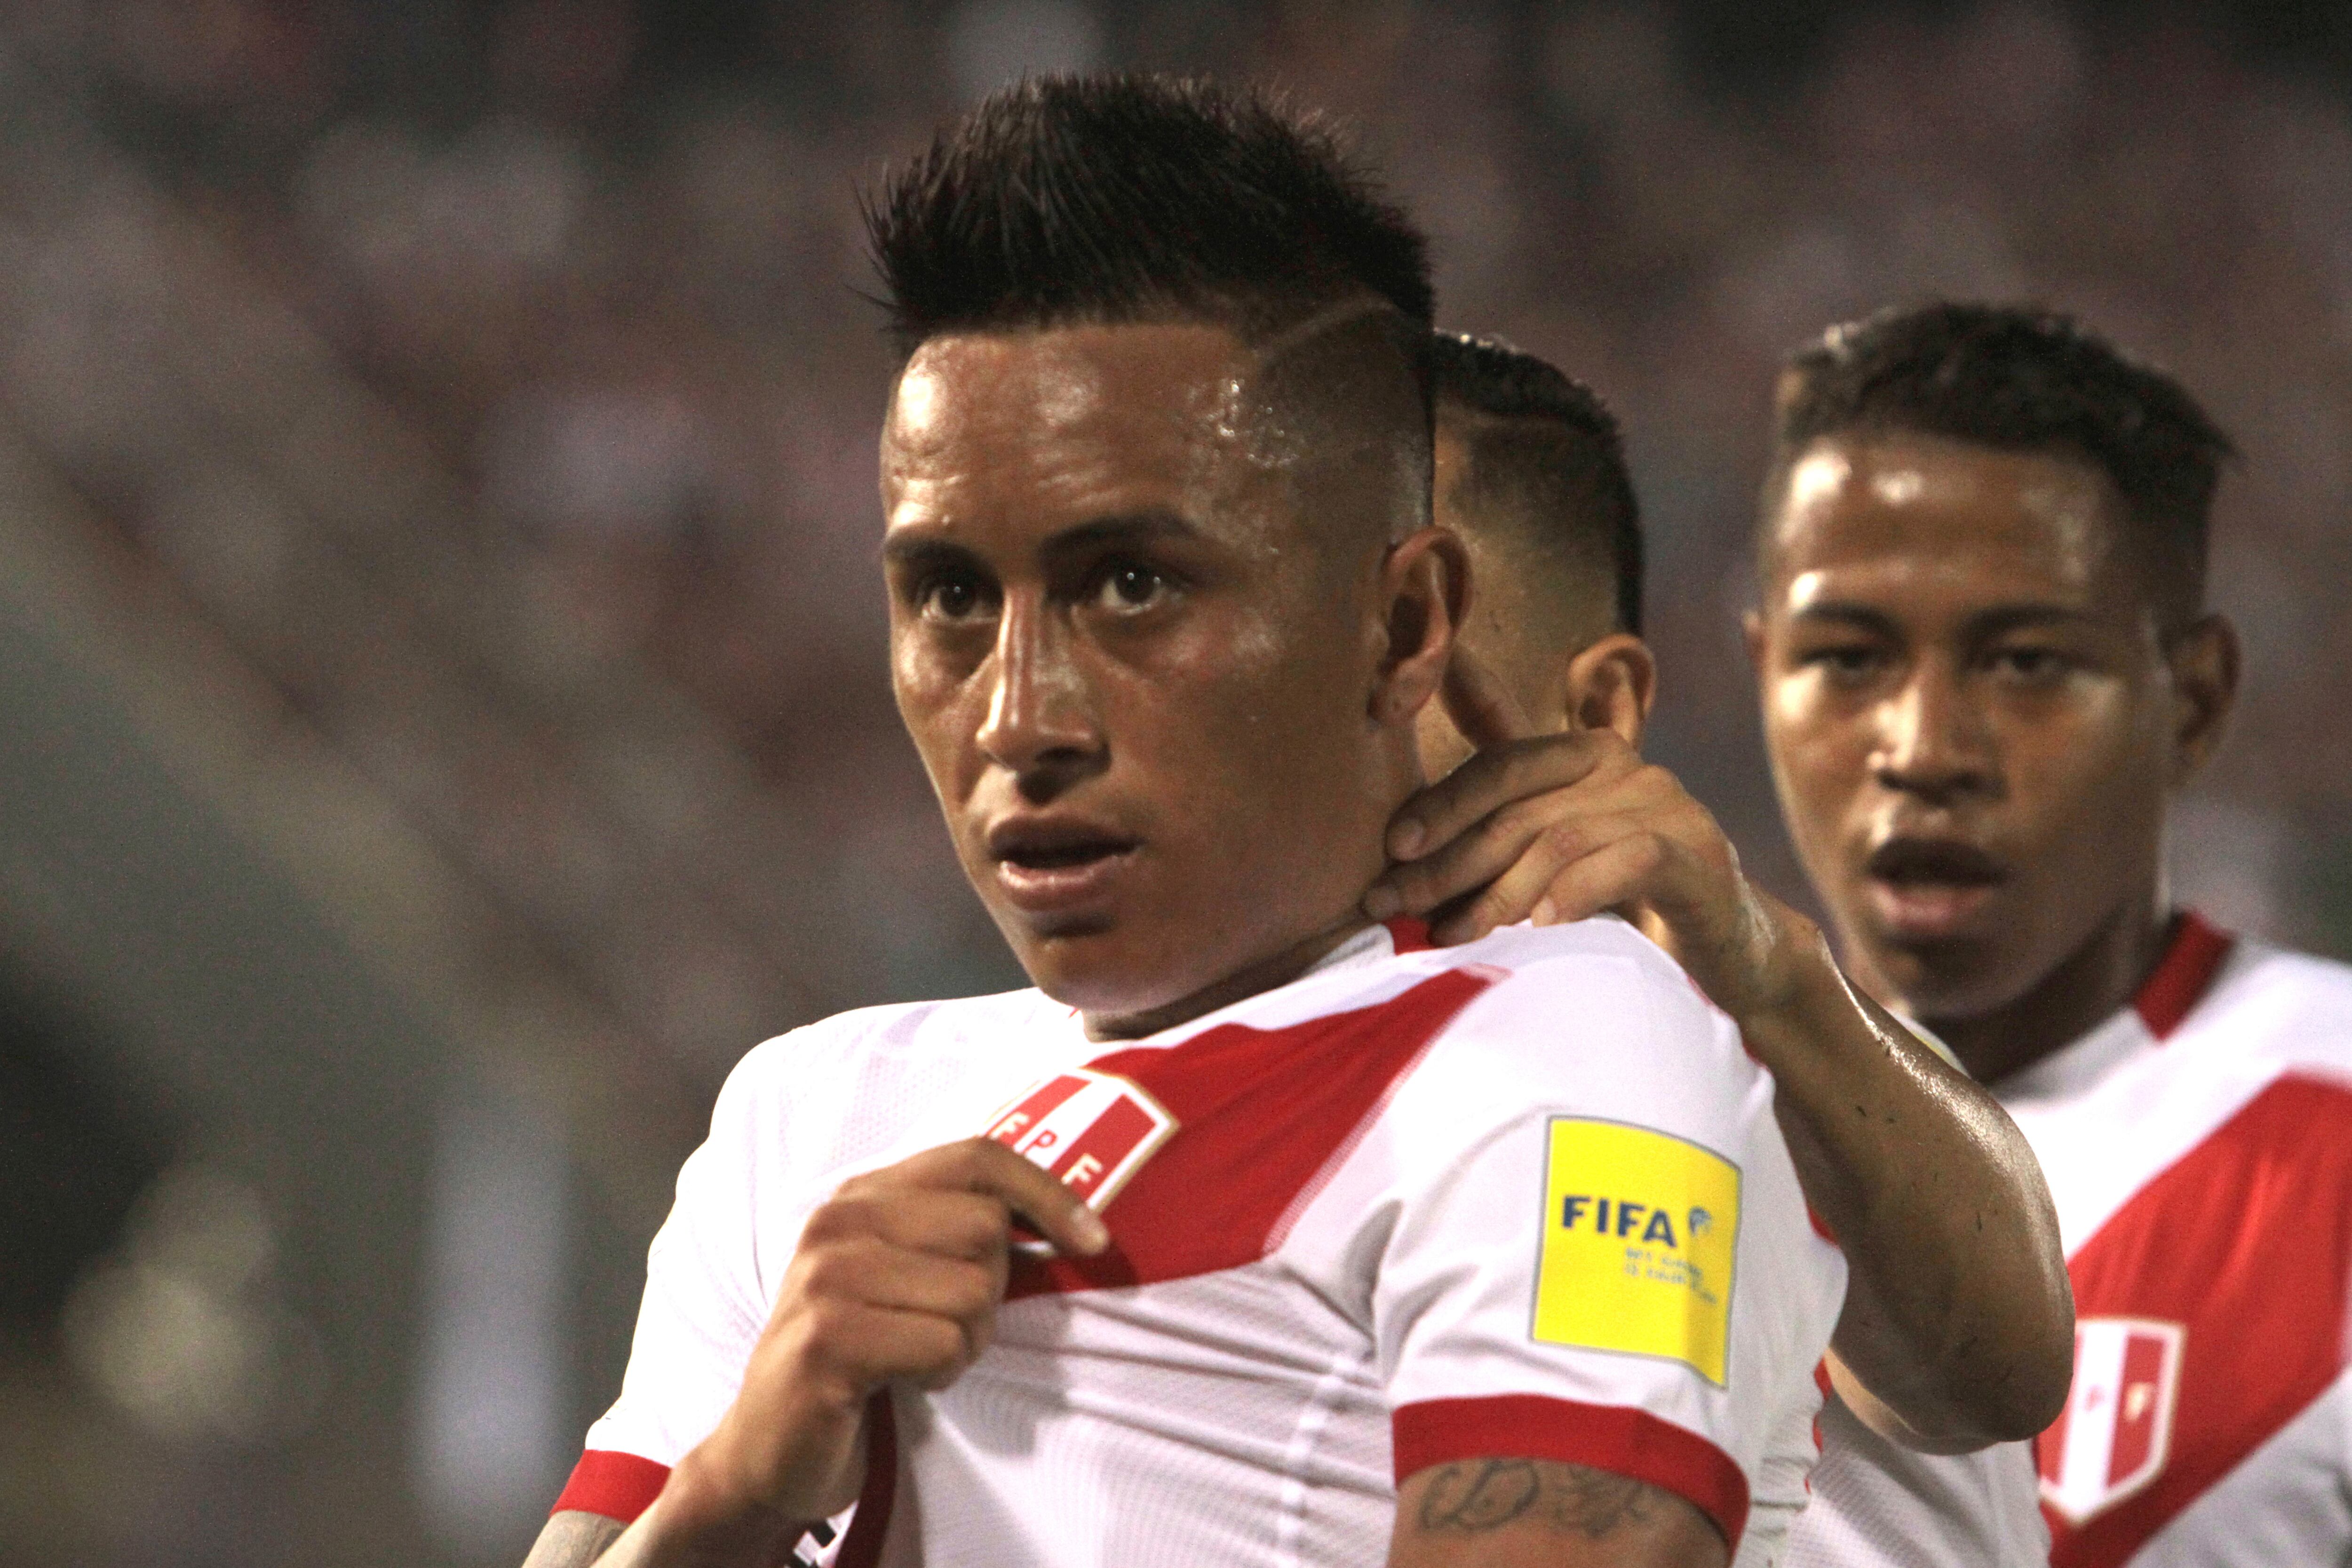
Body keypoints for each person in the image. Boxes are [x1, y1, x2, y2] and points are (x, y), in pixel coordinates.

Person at [522, 75, 1843, 1568]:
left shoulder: (1571, 1065)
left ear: (1403, 621)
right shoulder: (804, 1116)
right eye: (952, 595)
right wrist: (738, 1491)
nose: (1022, 717)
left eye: (1133, 585)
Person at [1367, 332, 2065, 1565]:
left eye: (1405, 639)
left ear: (1598, 711)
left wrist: (1756, 965)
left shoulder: (1747, 1056)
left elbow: (2000, 1373)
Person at [1746, 302, 2352, 1567]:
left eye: (2024, 663)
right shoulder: (1621, 1114)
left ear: (2192, 700)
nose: (1922, 751)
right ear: (1761, 674)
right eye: (1846, 659)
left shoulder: (2328, 1115)